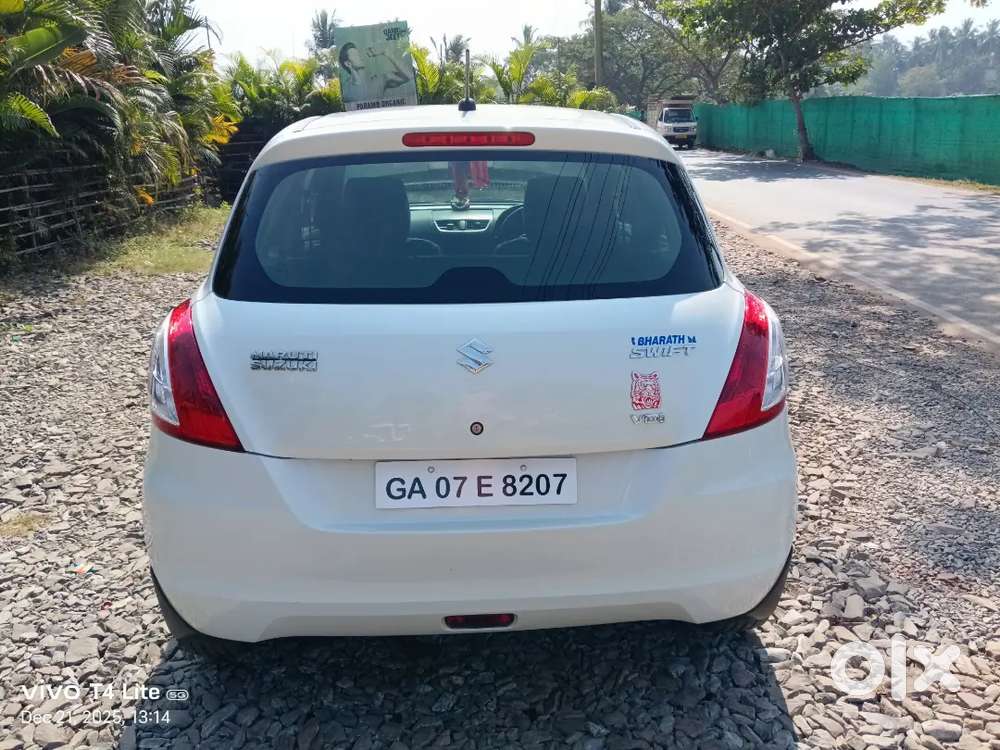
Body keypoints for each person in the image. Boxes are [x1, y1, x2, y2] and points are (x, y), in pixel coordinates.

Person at [339, 42, 412, 103]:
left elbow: (409, 76)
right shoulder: (346, 91)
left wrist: (387, 53)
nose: (359, 56)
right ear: (348, 64)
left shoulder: (379, 80)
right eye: (355, 55)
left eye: (358, 54)